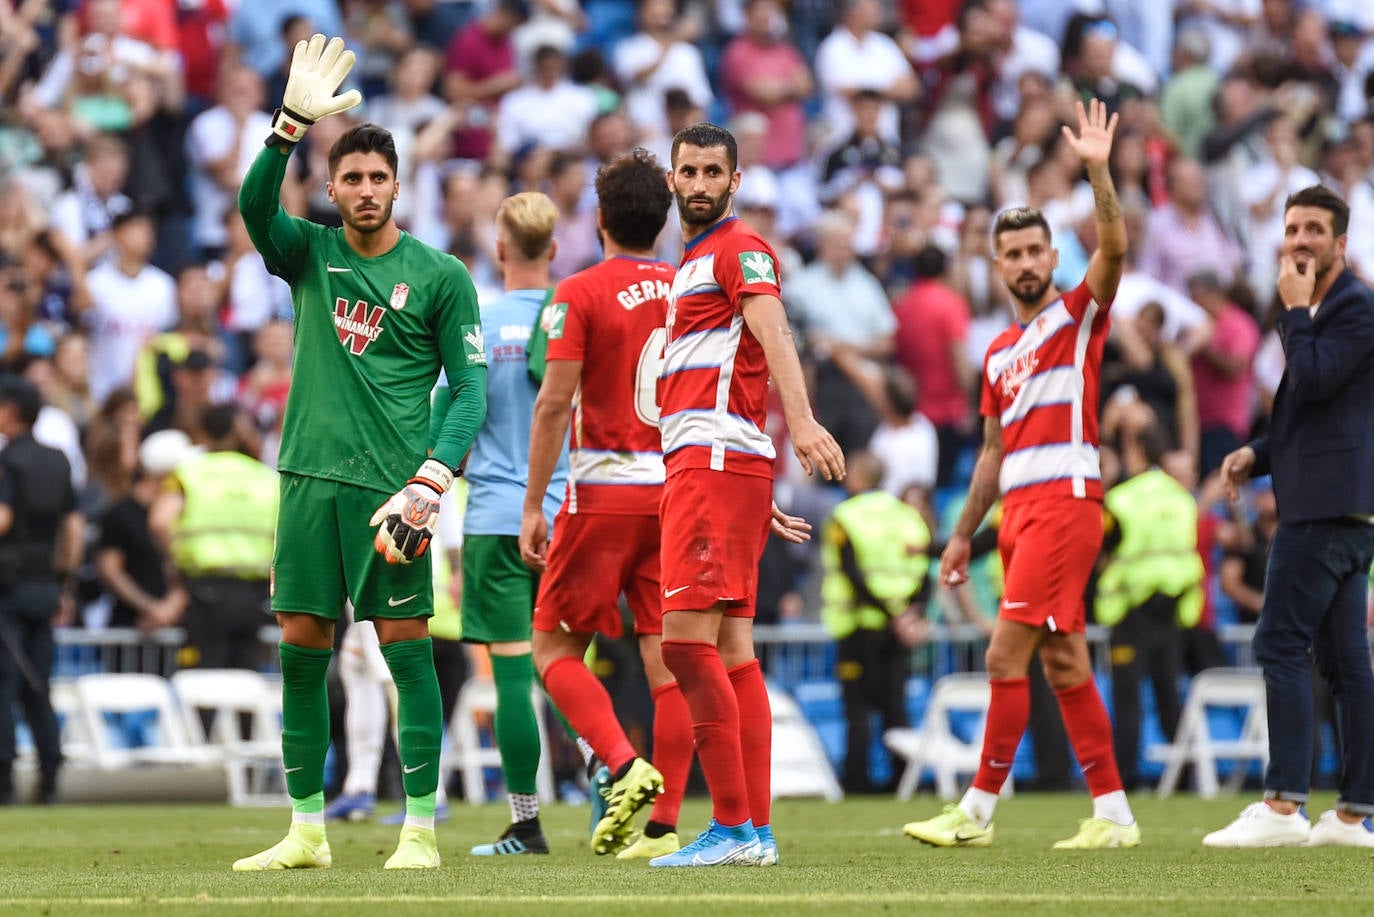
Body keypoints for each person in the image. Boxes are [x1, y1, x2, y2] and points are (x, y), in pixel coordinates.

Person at [231, 35, 488, 871]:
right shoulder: (309, 252)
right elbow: (252, 209)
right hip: (306, 482)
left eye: (380, 178)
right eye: (353, 179)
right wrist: (286, 128)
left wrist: (430, 479)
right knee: (303, 654)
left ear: (397, 187)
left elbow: (472, 390)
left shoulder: (441, 274)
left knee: (406, 653)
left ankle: (418, 830)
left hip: (390, 495)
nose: (367, 190)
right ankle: (306, 828)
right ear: (332, 189)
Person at [903, 98, 1141, 850]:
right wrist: (960, 534)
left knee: (1006, 652)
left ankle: (975, 809)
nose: (1029, 262)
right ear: (998, 264)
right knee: (1064, 659)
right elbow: (991, 454)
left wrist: (1098, 171)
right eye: (1015, 254)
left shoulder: (1077, 317)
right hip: (1020, 509)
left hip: (1068, 502)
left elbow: (1116, 245)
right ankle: (1113, 814)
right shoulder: (998, 352)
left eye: (1038, 250)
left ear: (1051, 255)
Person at [650, 122, 844, 868]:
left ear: (734, 182)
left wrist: (796, 425)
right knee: (731, 650)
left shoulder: (739, 249)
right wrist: (751, 478)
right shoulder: (692, 263)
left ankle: (732, 827)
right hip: (719, 466)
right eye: (688, 170)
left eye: (711, 172)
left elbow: (774, 332)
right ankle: (753, 829)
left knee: (683, 644)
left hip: (715, 464)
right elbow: (720, 376)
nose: (698, 183)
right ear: (673, 179)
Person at [519, 147, 692, 861]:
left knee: (553, 646)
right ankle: (664, 827)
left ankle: (623, 765)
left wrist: (535, 502)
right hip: (678, 490)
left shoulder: (578, 292)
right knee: (669, 661)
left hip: (604, 489)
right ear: (665, 220)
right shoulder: (692, 287)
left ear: (598, 220)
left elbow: (555, 402)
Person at [1204, 185, 1374, 848]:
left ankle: (1281, 807)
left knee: (1278, 641)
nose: (1299, 240)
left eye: (1313, 229)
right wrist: (1257, 452)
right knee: (1343, 660)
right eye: (1292, 227)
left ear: (1340, 240)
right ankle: (1355, 814)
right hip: (1341, 500)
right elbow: (1325, 415)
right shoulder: (1335, 308)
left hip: (1326, 507)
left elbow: (1311, 381)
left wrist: (1295, 311)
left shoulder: (1353, 307)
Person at [460, 190, 569, 857]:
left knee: (511, 677)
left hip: (497, 516)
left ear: (500, 248)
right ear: (554, 249)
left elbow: (453, 416)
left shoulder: (476, 321)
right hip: (569, 514)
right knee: (569, 674)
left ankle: (526, 823)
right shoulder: (573, 315)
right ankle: (612, 794)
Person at [1094, 422, 1203, 791]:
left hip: (1129, 609)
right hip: (1172, 607)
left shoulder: (1121, 499)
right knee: (1169, 694)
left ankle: (1123, 779)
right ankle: (1186, 778)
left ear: (1135, 448)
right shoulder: (1181, 498)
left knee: (1128, 699)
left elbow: (1102, 547)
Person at [819, 451, 930, 794]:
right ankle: (902, 779)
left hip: (857, 625)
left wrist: (888, 614)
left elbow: (852, 574)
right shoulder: (908, 517)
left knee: (857, 707)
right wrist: (909, 614)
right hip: (898, 632)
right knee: (895, 706)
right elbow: (924, 570)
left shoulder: (845, 517)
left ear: (858, 477)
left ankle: (857, 780)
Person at [0, 377, 82, 806]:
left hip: (7, 587)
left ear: (11, 411)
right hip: (44, 585)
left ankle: (5, 781)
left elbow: (3, 518)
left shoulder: (7, 461)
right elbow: (72, 527)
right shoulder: (58, 460)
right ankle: (50, 773)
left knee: (4, 683)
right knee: (39, 683)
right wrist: (64, 581)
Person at [148, 404, 278, 673]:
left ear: (202, 434)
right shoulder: (266, 478)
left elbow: (160, 521)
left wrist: (174, 563)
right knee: (246, 680)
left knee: (203, 679)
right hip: (256, 593)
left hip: (205, 591)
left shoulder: (188, 474)